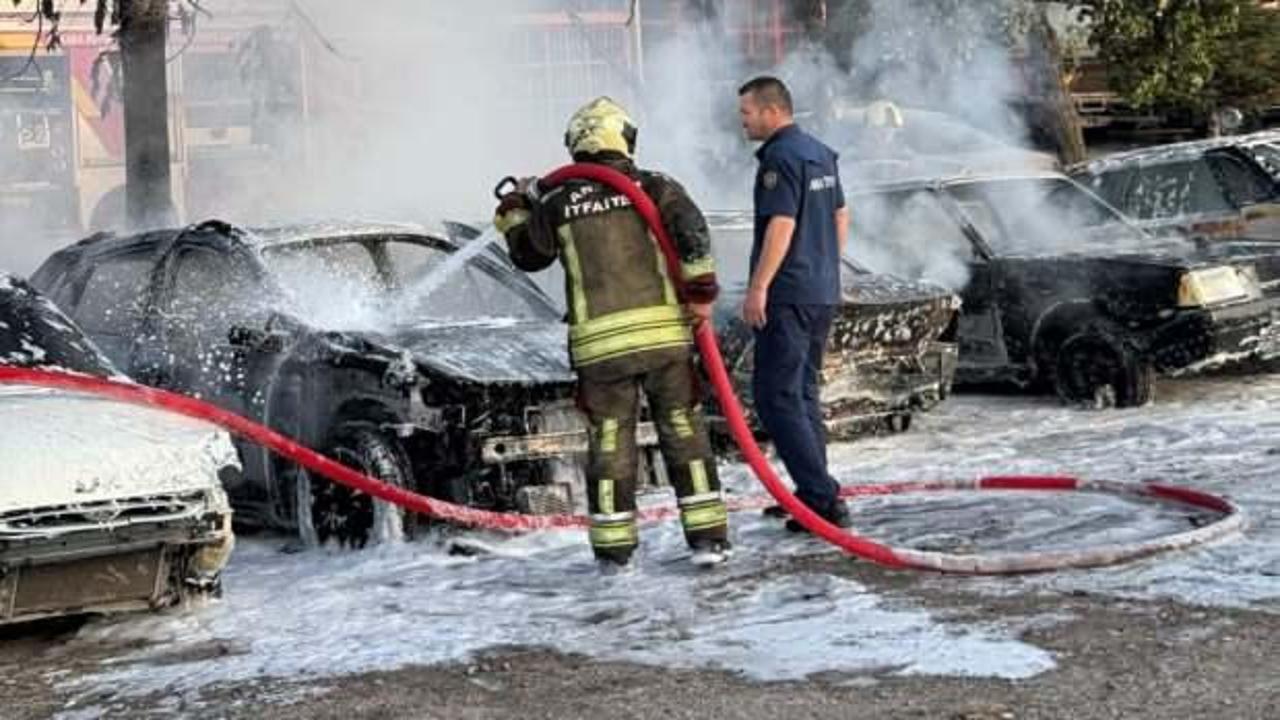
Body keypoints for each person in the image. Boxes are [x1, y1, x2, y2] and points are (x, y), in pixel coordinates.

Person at [494, 97, 732, 569]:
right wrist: (701, 295)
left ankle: (614, 551)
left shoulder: (558, 201)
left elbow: (528, 256)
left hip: (600, 351)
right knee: (684, 431)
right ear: (622, 138)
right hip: (665, 338)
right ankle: (709, 541)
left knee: (608, 442)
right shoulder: (654, 186)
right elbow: (693, 233)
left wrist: (515, 210)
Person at [736, 76, 853, 532]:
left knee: (775, 397)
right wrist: (827, 268)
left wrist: (759, 286)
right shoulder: (820, 153)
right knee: (802, 393)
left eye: (747, 113)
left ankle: (822, 498)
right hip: (819, 290)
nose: (742, 122)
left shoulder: (780, 159)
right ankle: (812, 492)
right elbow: (841, 215)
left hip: (787, 294)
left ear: (772, 111)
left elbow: (781, 224)